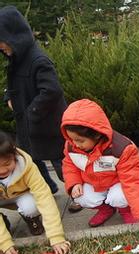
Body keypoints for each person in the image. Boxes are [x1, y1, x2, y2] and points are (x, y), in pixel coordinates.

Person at [0, 6, 82, 213]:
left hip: (47, 123)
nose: (1, 47)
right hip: (27, 125)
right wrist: (9, 97)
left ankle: (77, 194)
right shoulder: (15, 61)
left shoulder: (38, 60)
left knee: (61, 161)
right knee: (30, 161)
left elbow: (52, 90)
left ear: (14, 36)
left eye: (2, 42)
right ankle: (46, 188)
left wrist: (31, 112)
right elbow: (12, 86)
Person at [60, 99, 139, 231]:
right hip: (94, 183)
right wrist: (74, 183)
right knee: (80, 197)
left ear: (97, 134)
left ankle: (125, 210)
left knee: (119, 197)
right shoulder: (71, 146)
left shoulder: (123, 149)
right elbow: (69, 165)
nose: (75, 144)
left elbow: (132, 181)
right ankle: (106, 209)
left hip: (117, 183)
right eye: (71, 139)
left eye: (80, 140)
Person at [0, 130, 70, 254]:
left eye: (7, 164)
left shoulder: (27, 166)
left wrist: (56, 236)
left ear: (14, 155)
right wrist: (4, 243)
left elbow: (44, 198)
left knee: (31, 206)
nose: (2, 170)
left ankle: (30, 217)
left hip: (21, 195)